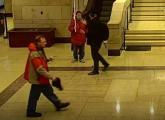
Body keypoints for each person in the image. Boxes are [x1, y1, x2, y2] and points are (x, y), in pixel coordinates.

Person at [24, 35, 70, 117]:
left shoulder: (39, 50)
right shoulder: (34, 54)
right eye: (44, 42)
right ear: (38, 43)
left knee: (49, 92)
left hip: (42, 78)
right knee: (34, 96)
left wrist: (48, 60)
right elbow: (40, 69)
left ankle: (58, 104)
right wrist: (52, 77)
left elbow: (41, 61)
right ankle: (30, 111)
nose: (46, 43)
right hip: (38, 79)